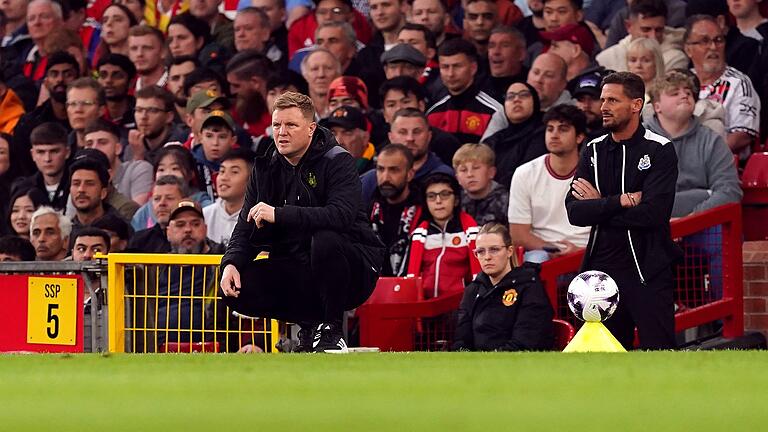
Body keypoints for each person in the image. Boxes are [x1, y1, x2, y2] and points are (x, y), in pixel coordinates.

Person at [219, 92, 385, 354]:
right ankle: (307, 326)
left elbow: (341, 215)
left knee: (325, 239)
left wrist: (280, 214)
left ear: (311, 129)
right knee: (236, 289)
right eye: (276, 125)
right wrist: (231, 263)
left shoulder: (337, 160)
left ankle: (331, 328)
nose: (282, 132)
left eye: (291, 125)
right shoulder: (265, 168)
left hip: (355, 265)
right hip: (299, 265)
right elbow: (245, 226)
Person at [565, 71, 681, 350]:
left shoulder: (659, 150)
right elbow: (575, 213)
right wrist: (619, 201)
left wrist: (600, 204)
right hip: (601, 274)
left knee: (659, 356)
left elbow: (653, 214)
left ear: (636, 105)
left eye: (613, 100)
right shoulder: (592, 150)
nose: (603, 107)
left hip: (648, 270)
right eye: (602, 99)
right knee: (605, 360)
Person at [644, 70, 742, 218]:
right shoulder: (636, 140)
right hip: (645, 228)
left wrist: (693, 219)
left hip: (701, 229)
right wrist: (701, 195)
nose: (684, 95)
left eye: (688, 92)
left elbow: (730, 191)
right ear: (657, 106)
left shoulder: (712, 140)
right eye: (675, 93)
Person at [452, 222, 554, 351]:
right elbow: (461, 341)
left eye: (494, 250)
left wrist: (485, 365)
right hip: (477, 367)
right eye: (480, 252)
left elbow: (525, 343)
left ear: (509, 251)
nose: (487, 257)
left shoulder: (529, 287)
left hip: (518, 367)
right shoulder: (472, 290)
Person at [509, 104, 590, 263]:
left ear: (579, 137)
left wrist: (578, 252)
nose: (554, 135)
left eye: (563, 129)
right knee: (536, 260)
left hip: (586, 251)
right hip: (542, 251)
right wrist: (552, 248)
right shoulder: (524, 173)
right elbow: (518, 234)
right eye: (550, 129)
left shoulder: (598, 173)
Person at [684, 14, 761, 161]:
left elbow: (742, 136)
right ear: (688, 50)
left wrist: (704, 158)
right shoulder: (681, 82)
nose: (713, 47)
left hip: (722, 165)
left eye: (718, 40)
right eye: (705, 41)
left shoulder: (738, 83)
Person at [406, 172, 481, 299]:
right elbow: (405, 276)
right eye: (431, 196)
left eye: (445, 194)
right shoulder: (417, 235)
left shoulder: (473, 232)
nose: (438, 201)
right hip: (425, 306)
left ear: (456, 200)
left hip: (460, 306)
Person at [361, 108, 454, 204]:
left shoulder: (444, 176)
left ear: (429, 136)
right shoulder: (371, 180)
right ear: (391, 137)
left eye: (417, 132)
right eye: (403, 132)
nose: (410, 138)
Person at [427, 38, 505, 144]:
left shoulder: (495, 111)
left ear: (473, 68)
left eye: (457, 66)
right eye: (445, 67)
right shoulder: (433, 113)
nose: (450, 74)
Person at [12, 51, 77, 175]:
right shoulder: (29, 123)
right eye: (54, 74)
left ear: (78, 79)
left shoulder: (84, 119)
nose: (60, 79)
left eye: (67, 74)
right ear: (46, 82)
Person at [369, 143, 422, 277]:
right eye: (380, 169)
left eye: (394, 170)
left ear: (409, 174)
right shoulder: (368, 209)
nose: (385, 177)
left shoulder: (425, 211)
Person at [482, 81, 547, 187]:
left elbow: (527, 173)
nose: (516, 100)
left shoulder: (545, 132)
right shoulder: (494, 140)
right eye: (510, 97)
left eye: (524, 95)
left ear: (534, 100)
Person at [596, 0, 688, 74]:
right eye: (646, 29)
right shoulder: (606, 59)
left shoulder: (676, 58)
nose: (653, 37)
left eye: (658, 30)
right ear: (629, 26)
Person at [84, 119, 153, 206]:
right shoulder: (80, 179)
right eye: (89, 144)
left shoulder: (138, 169)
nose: (94, 148)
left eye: (102, 142)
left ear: (118, 149)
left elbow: (137, 215)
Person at [15, 122, 71, 211]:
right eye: (41, 152)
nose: (47, 159)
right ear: (32, 154)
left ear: (67, 152)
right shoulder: (23, 188)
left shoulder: (77, 185)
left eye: (54, 151)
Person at [203, 148, 254, 246]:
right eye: (222, 171)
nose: (224, 178)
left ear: (252, 180)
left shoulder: (260, 218)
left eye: (234, 172)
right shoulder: (205, 215)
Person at [126, 175, 187, 253]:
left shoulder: (192, 239)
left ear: (184, 201)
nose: (162, 203)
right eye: (157, 199)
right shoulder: (139, 241)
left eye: (169, 198)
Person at [453, 143, 509, 226]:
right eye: (463, 170)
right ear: (457, 178)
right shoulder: (454, 201)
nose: (470, 174)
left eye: (476, 168)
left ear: (491, 172)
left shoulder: (507, 201)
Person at [319, 105, 375, 174]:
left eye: (347, 133)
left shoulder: (380, 170)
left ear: (365, 138)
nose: (338, 141)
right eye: (333, 133)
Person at [486, 26, 528, 103]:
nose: (496, 52)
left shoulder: (531, 85)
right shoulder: (476, 87)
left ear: (521, 54)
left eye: (505, 45)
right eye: (492, 46)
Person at [65, 78, 106, 149]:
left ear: (101, 110)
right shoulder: (61, 147)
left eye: (86, 103)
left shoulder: (116, 143)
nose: (78, 110)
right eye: (73, 104)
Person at [128, 25, 168, 91]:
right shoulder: (126, 88)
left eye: (147, 48)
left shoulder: (176, 86)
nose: (139, 54)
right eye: (134, 49)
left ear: (163, 52)